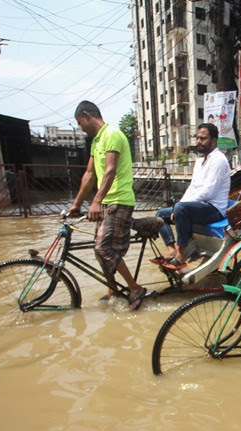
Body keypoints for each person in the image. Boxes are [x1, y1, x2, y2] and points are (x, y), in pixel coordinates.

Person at [66, 100, 146, 310]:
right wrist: (76, 205)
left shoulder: (112, 134)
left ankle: (134, 288)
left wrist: (95, 201)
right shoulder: (95, 142)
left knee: (103, 247)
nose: (80, 127)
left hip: (119, 200)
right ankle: (113, 289)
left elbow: (110, 170)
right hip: (106, 202)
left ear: (86, 115)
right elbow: (90, 174)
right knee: (98, 251)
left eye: (79, 122)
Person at [155, 123, 231, 270]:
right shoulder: (199, 161)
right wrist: (177, 207)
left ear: (213, 141)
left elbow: (208, 192)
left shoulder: (219, 160)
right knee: (160, 214)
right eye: (197, 138)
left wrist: (179, 207)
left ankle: (182, 254)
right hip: (200, 206)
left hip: (214, 208)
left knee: (181, 208)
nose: (198, 142)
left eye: (203, 138)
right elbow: (192, 188)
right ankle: (172, 250)